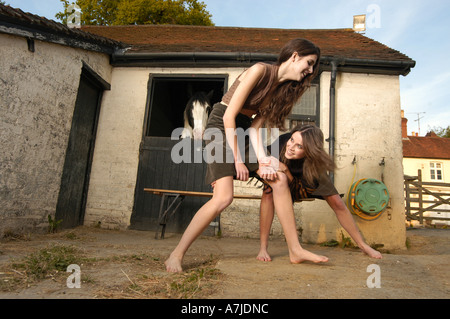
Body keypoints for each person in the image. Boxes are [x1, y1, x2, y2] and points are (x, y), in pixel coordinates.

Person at [165, 38, 328, 273]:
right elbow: (228, 116)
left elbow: (253, 129)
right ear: (294, 56)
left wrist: (262, 159)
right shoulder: (260, 71)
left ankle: (295, 250)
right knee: (223, 198)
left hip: (242, 129)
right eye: (309, 63)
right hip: (221, 126)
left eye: (313, 67)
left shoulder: (279, 92)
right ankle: (176, 254)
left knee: (279, 179)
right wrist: (238, 160)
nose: (310, 70)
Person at [255, 124, 383, 262]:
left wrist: (285, 169)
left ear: (309, 151)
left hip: (303, 179)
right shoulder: (281, 143)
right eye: (292, 140)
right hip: (283, 179)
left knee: (337, 202)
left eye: (299, 146)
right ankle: (263, 248)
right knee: (268, 192)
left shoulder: (314, 166)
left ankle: (362, 245)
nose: (291, 147)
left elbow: (297, 190)